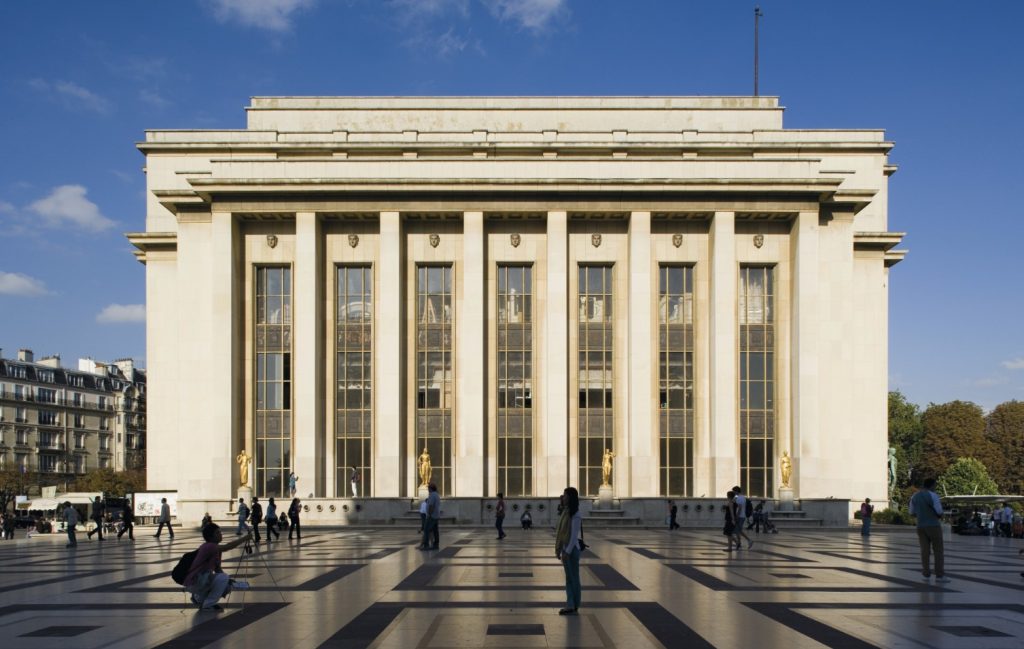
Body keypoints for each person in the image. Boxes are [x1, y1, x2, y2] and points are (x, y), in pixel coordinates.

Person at [184, 523, 252, 611]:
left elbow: (217, 569)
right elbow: (228, 546)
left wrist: (230, 581)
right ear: (211, 536)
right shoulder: (209, 546)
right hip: (195, 581)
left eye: (220, 532)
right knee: (223, 578)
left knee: (226, 583)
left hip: (200, 580)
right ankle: (207, 604)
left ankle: (199, 598)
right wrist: (245, 538)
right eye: (217, 533)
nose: (220, 534)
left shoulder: (215, 549)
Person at [909, 478, 949, 583]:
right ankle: (939, 575)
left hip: (920, 526)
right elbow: (939, 511)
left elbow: (911, 512)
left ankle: (926, 573)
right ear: (932, 485)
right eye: (935, 485)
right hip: (933, 525)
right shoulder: (933, 495)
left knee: (925, 551)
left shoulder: (915, 496)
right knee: (938, 551)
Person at [555, 486, 582, 615]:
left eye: (565, 495)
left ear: (570, 497)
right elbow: (561, 531)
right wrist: (561, 549)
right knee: (569, 578)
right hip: (566, 550)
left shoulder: (575, 514)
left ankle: (573, 604)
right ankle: (572, 604)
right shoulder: (566, 511)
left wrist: (567, 552)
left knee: (573, 578)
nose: (563, 497)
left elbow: (573, 535)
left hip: (571, 551)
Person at [419, 482, 440, 550]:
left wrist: (429, 514)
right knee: (435, 530)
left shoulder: (432, 495)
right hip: (436, 515)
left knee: (426, 530)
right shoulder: (437, 495)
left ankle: (426, 545)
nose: (428, 489)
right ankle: (436, 544)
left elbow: (431, 506)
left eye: (428, 488)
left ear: (431, 489)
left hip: (432, 516)